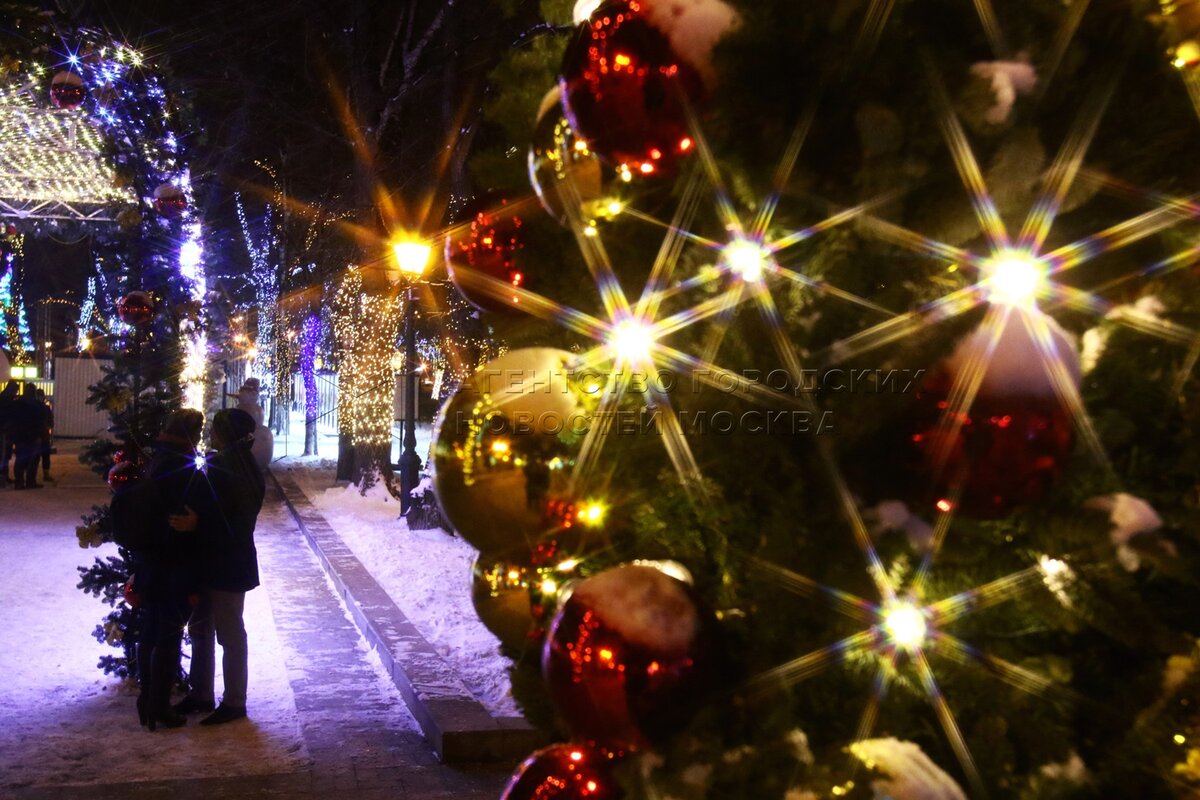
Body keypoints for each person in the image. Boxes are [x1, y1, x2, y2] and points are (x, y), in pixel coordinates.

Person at [170, 408, 265, 726]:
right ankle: (204, 694)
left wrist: (197, 523)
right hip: (225, 561)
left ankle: (233, 701)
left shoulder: (226, 467)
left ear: (225, 433)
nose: (210, 433)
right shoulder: (246, 465)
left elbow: (232, 521)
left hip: (224, 562)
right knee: (207, 628)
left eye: (215, 428)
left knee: (225, 631)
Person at [131, 409, 206, 730]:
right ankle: (159, 704)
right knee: (169, 632)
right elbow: (187, 513)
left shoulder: (158, 459)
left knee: (152, 628)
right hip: (174, 560)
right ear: (191, 434)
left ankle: (147, 698)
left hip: (151, 560)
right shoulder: (181, 466)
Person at [9, 383, 46, 490]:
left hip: (20, 436)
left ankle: (19, 482)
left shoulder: (17, 404)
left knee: (20, 459)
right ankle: (30, 481)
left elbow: (13, 420)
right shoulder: (37, 405)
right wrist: (40, 435)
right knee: (33, 460)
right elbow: (40, 422)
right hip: (33, 436)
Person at [0, 381, 17, 487]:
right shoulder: (7, 400)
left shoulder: (4, 398)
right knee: (4, 454)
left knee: (5, 455)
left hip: (6, 431)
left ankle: (4, 476)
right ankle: (3, 476)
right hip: (4, 431)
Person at [35, 389, 53, 483]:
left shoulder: (45, 408)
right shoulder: (39, 408)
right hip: (38, 435)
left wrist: (49, 427)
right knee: (37, 456)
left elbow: (50, 420)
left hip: (43, 435)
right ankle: (36, 475)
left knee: (45, 455)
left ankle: (45, 473)